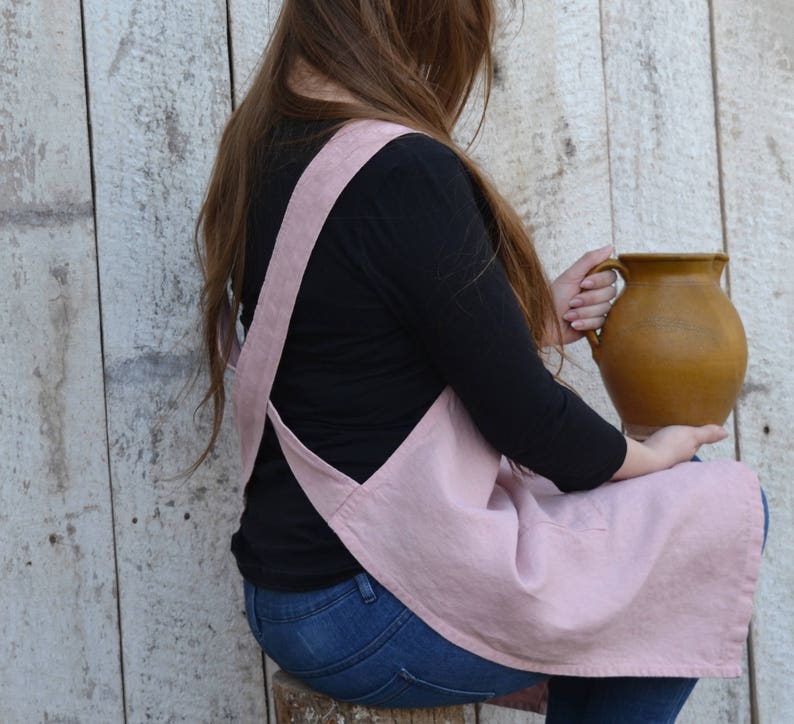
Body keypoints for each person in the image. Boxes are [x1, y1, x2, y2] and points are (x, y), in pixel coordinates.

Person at [193, 2, 766, 722]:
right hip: (363, 610)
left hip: (289, 592)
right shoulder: (402, 167)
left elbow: (351, 351)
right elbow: (531, 423)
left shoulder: (268, 145)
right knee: (715, 510)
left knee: (617, 576)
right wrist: (656, 454)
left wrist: (515, 326)